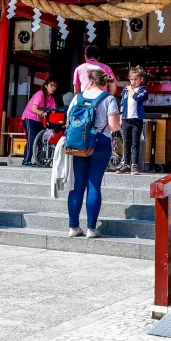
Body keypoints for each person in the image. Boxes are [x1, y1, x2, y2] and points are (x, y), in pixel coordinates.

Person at [66, 68, 120, 238]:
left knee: (77, 186)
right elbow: (113, 126)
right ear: (105, 82)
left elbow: (69, 122)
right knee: (94, 185)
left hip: (79, 144)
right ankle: (91, 228)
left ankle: (73, 227)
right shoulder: (109, 99)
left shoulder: (77, 98)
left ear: (89, 80)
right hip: (100, 143)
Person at [117, 67, 148, 174]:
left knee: (135, 142)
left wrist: (131, 90)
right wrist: (120, 117)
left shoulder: (143, 90)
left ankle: (134, 165)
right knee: (126, 142)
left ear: (141, 79)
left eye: (135, 79)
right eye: (131, 79)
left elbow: (138, 98)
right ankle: (126, 164)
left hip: (136, 119)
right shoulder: (124, 91)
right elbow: (122, 104)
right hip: (126, 119)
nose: (133, 82)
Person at [22, 79, 58, 166]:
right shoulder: (40, 94)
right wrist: (44, 113)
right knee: (31, 139)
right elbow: (34, 109)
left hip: (40, 120)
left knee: (43, 140)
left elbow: (53, 111)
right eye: (51, 86)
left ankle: (39, 160)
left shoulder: (51, 99)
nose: (53, 88)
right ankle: (26, 160)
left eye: (55, 86)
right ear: (46, 86)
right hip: (29, 118)